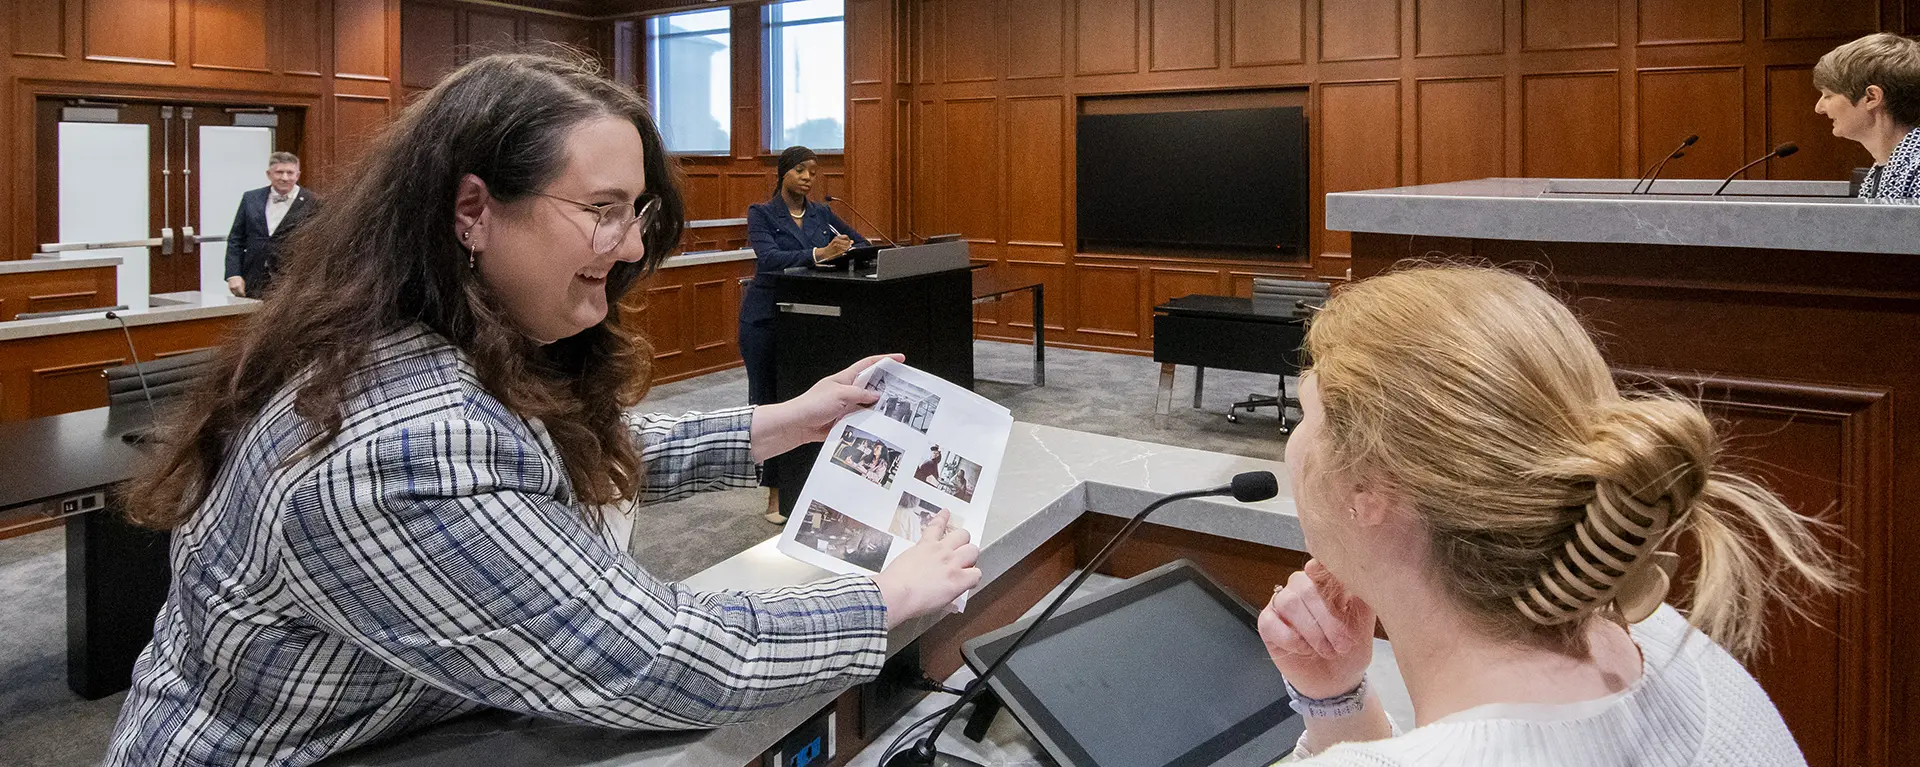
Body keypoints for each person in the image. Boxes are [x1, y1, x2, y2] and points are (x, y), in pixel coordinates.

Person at [103, 53, 980, 767]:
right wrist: (884, 599)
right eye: (602, 210)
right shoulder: (404, 444)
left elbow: (549, 448)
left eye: (634, 213)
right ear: (475, 210)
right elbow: (651, 658)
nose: (633, 244)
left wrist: (789, 418)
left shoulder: (410, 333)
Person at [1257, 265, 1843, 765]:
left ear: (1371, 488)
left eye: (1308, 410)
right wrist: (1336, 704)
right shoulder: (1670, 646)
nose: (1295, 439)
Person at [741, 145, 870, 523]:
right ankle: (775, 495)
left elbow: (861, 243)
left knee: (810, 402)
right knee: (769, 403)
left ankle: (813, 487)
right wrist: (819, 254)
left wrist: (842, 253)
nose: (809, 178)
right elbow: (768, 259)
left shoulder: (822, 213)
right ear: (783, 173)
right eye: (801, 171)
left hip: (809, 320)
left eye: (813, 172)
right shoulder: (761, 214)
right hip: (766, 320)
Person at [1813, 32, 1920, 199]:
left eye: (1828, 95)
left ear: (1872, 97)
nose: (1819, 108)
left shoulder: (1916, 171)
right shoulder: (1883, 169)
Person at [224, 151, 321, 297]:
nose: (284, 178)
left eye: (290, 172)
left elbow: (318, 243)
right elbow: (235, 239)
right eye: (279, 172)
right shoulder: (251, 198)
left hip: (292, 281)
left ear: (298, 175)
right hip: (253, 280)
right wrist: (233, 274)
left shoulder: (313, 201)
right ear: (269, 174)